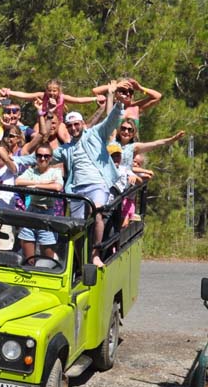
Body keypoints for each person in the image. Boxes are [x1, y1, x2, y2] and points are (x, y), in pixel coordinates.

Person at [51, 80, 123, 267]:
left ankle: (95, 254)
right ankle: (80, 264)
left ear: (83, 123)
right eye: (70, 126)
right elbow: (40, 157)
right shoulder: (65, 148)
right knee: (76, 229)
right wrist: (16, 161)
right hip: (76, 189)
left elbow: (111, 120)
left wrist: (115, 99)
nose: (74, 128)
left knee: (97, 210)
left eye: (76, 124)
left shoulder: (95, 134)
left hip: (96, 184)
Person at [0, 79, 106, 142]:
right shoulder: (42, 96)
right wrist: (10, 92)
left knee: (65, 137)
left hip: (58, 123)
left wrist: (95, 99)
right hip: (44, 122)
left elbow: (78, 100)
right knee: (37, 134)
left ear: (58, 91)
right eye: (49, 90)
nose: (52, 93)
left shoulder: (62, 97)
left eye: (54, 91)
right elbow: (26, 95)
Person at [15, 143, 64, 261]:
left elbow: (57, 187)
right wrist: (47, 184)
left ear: (51, 158)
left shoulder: (55, 172)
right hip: (31, 211)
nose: (42, 158)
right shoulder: (31, 171)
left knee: (46, 260)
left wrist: (35, 185)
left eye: (46, 156)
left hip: (47, 213)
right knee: (29, 259)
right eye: (39, 155)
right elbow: (18, 182)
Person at [114, 118, 185, 169]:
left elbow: (156, 144)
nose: (126, 132)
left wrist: (172, 139)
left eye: (130, 130)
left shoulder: (134, 147)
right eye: (123, 128)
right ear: (119, 130)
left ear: (133, 133)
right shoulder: (112, 142)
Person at [92, 78, 161, 127]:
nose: (128, 94)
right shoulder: (109, 104)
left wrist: (140, 88)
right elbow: (95, 91)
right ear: (116, 93)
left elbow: (157, 96)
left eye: (130, 91)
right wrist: (115, 86)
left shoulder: (135, 107)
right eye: (123, 91)